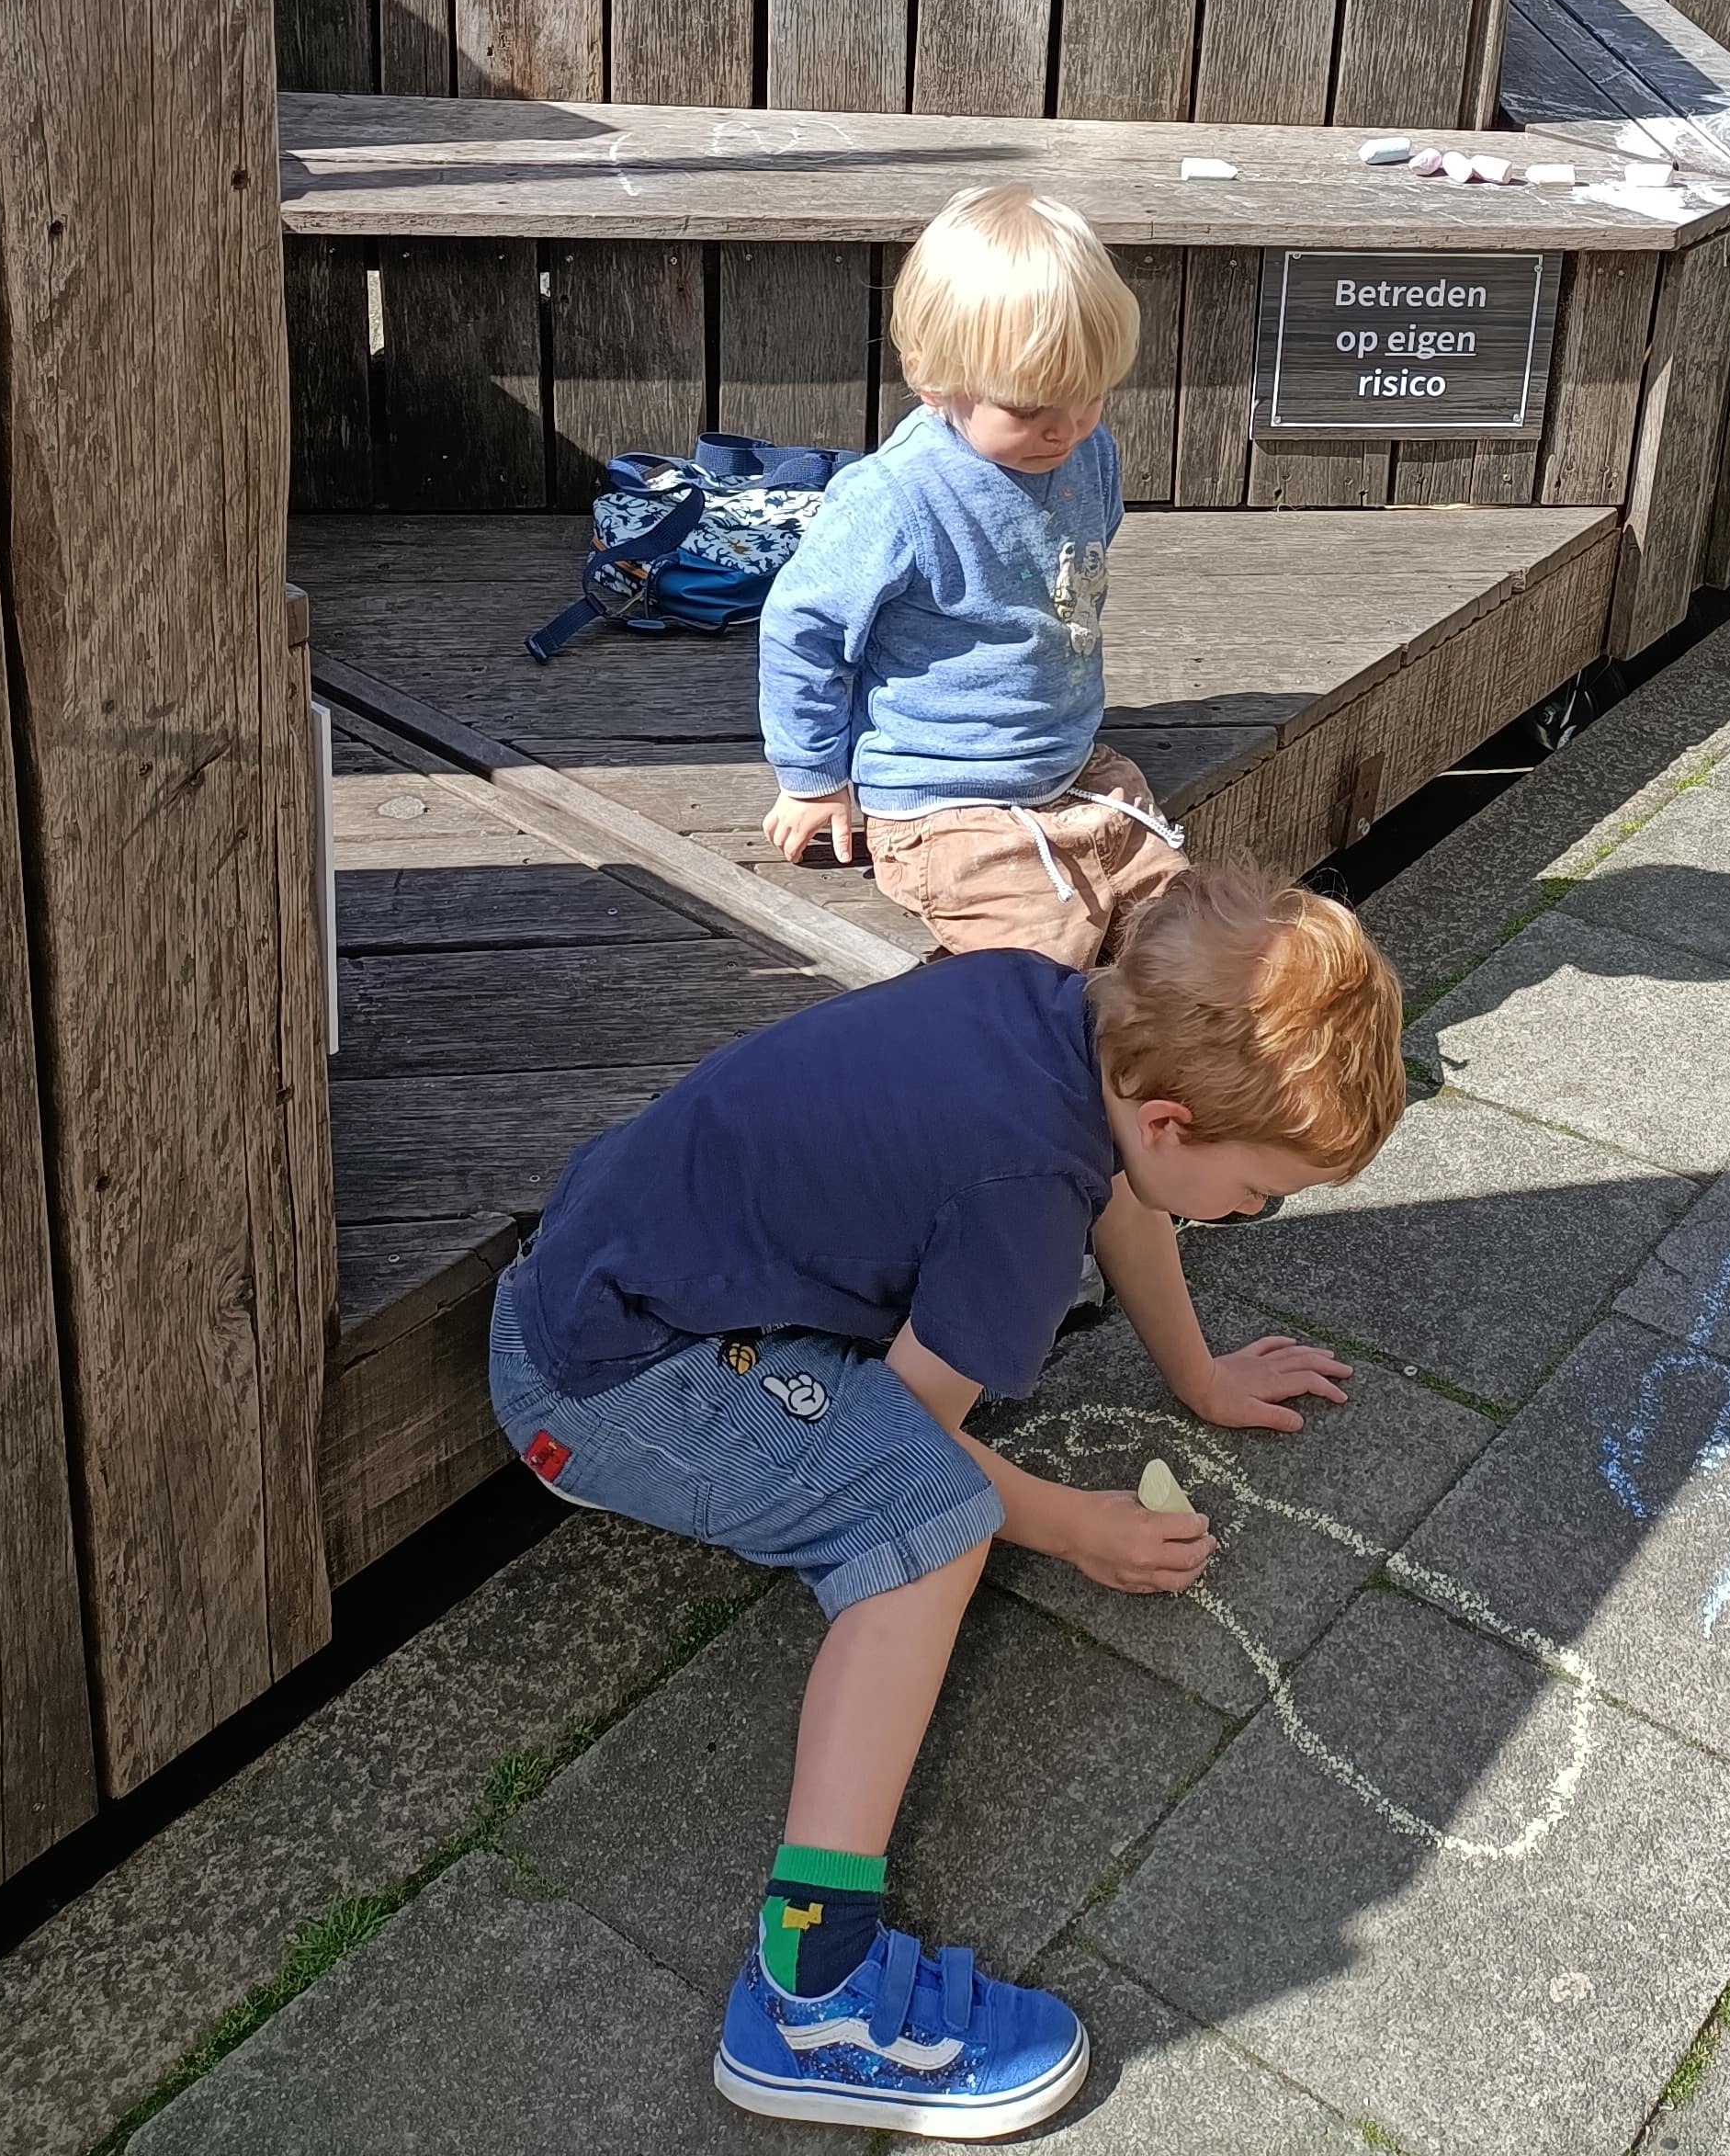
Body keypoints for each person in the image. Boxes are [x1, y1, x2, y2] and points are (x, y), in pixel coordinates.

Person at [487, 867, 1406, 2137]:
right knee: (930, 1533)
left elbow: (1124, 1195)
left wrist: (1196, 1376)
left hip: (625, 1272)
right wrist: (1081, 1526)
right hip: (599, 1386)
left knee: (919, 1475)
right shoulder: (1021, 1197)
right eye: (1262, 1193)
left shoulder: (1061, 1015)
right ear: (1175, 1124)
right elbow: (909, 1451)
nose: (1256, 1214)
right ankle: (816, 1997)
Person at [757, 182, 1184, 965]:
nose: (1065, 427)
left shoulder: (1088, 450)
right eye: (1028, 408)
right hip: (944, 796)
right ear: (931, 379)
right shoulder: (897, 496)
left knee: (1187, 936)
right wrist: (812, 777)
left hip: (1073, 763)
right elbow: (803, 631)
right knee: (1038, 971)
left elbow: (1069, 565)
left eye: (1089, 395)